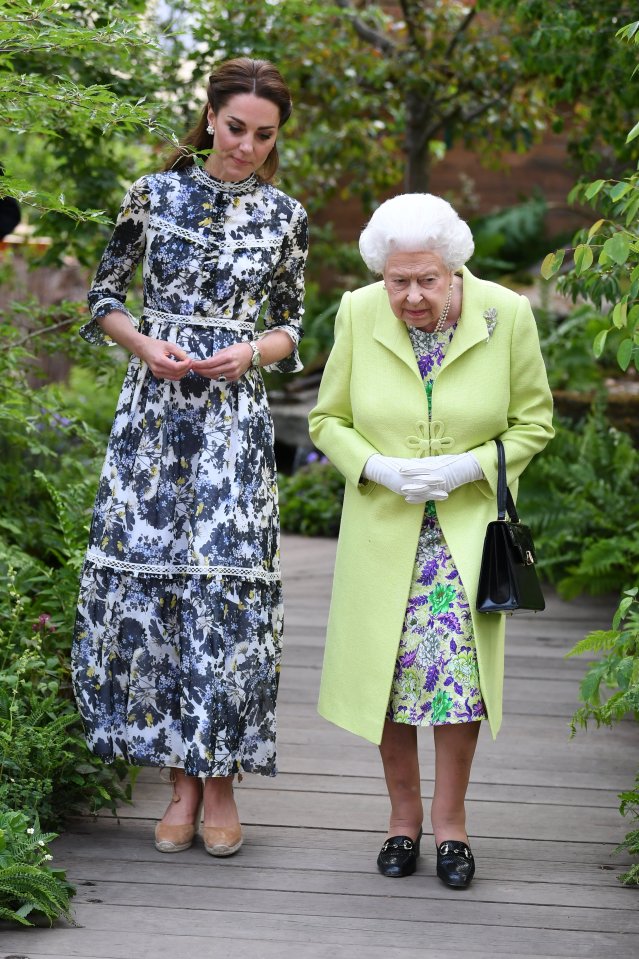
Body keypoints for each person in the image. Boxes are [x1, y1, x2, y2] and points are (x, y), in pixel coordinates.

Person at [72, 58, 308, 858]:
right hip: (154, 416)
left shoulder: (285, 216)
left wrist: (251, 352)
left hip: (232, 422)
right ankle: (177, 780)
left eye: (263, 134)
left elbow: (294, 326)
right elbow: (104, 296)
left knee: (227, 592)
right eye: (235, 127)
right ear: (209, 117)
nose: (246, 146)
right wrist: (144, 345)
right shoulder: (153, 194)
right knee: (158, 590)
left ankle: (222, 780)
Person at [308, 193, 553, 888]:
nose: (411, 296)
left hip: (466, 532)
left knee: (457, 684)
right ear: (378, 274)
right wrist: (375, 466)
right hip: (384, 530)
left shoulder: (505, 313)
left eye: (426, 280)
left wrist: (465, 466)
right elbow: (328, 419)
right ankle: (400, 820)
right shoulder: (357, 311)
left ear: (453, 269)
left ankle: (451, 826)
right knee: (385, 678)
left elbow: (533, 422)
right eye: (396, 281)